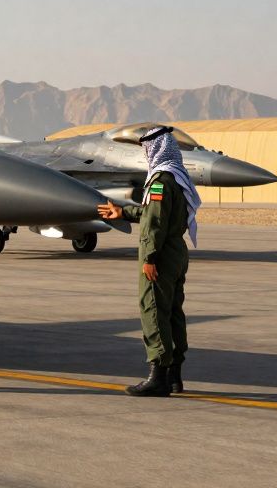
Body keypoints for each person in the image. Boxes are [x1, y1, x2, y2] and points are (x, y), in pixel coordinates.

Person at [98, 126, 201, 397]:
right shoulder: (178, 178)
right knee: (174, 313)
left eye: (146, 148)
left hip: (161, 254)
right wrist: (121, 211)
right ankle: (175, 376)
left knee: (153, 309)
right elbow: (153, 212)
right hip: (177, 251)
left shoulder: (159, 180)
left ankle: (158, 376)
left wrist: (150, 258)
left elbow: (154, 223)